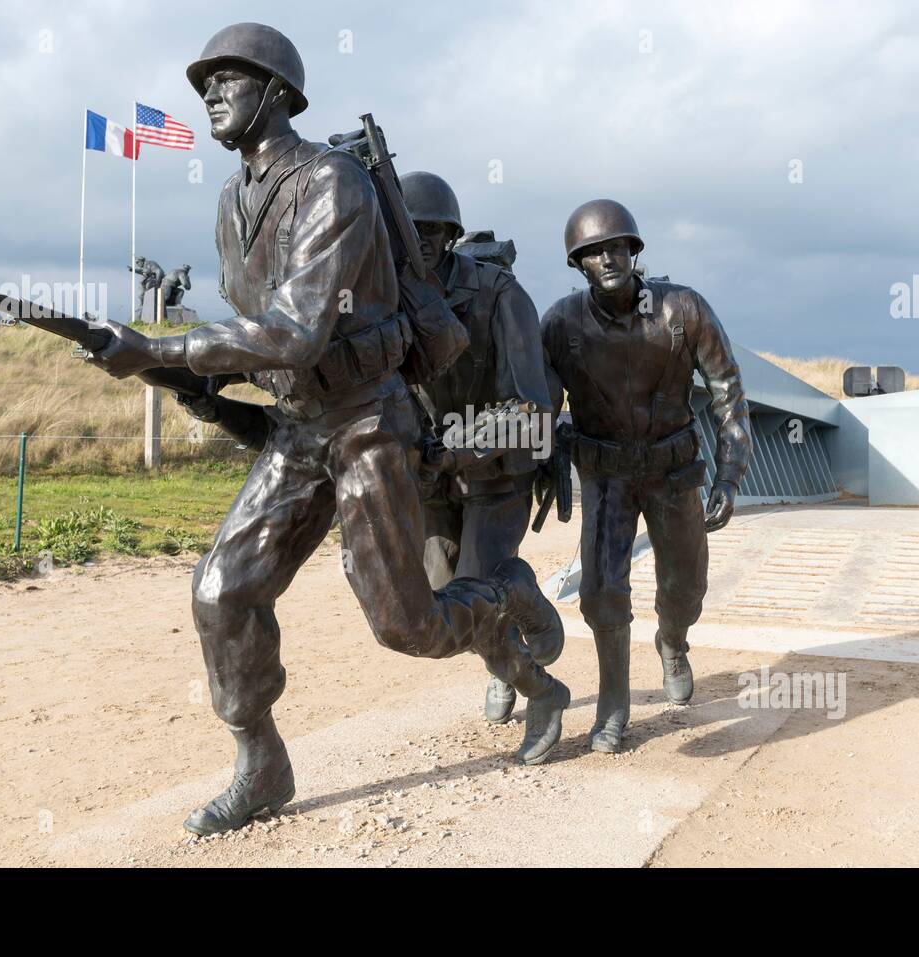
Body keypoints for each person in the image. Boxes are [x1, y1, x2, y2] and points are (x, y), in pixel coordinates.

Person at [85, 23, 570, 835]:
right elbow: (260, 339)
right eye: (204, 81)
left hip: (366, 422)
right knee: (220, 592)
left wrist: (165, 349)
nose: (209, 91)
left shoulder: (332, 184)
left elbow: (295, 329)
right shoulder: (231, 206)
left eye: (229, 78)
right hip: (299, 426)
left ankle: (517, 632)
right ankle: (262, 762)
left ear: (277, 92)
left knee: (406, 625)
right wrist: (177, 368)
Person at [540, 199, 752, 753]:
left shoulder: (683, 308)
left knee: (685, 588)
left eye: (616, 247)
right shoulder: (562, 322)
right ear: (578, 264)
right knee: (600, 592)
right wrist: (537, 461)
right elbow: (538, 406)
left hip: (674, 472)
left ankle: (673, 640)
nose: (606, 258)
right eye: (592, 252)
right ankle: (614, 704)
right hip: (606, 477)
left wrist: (729, 477)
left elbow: (729, 392)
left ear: (634, 250)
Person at [400, 171, 556, 726]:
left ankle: (523, 629)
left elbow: (531, 408)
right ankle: (506, 642)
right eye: (402, 230)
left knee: (478, 583)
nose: (412, 241)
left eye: (425, 231)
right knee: (442, 593)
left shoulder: (499, 294)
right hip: (433, 475)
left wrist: (456, 448)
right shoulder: (385, 298)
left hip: (496, 469)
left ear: (447, 235)